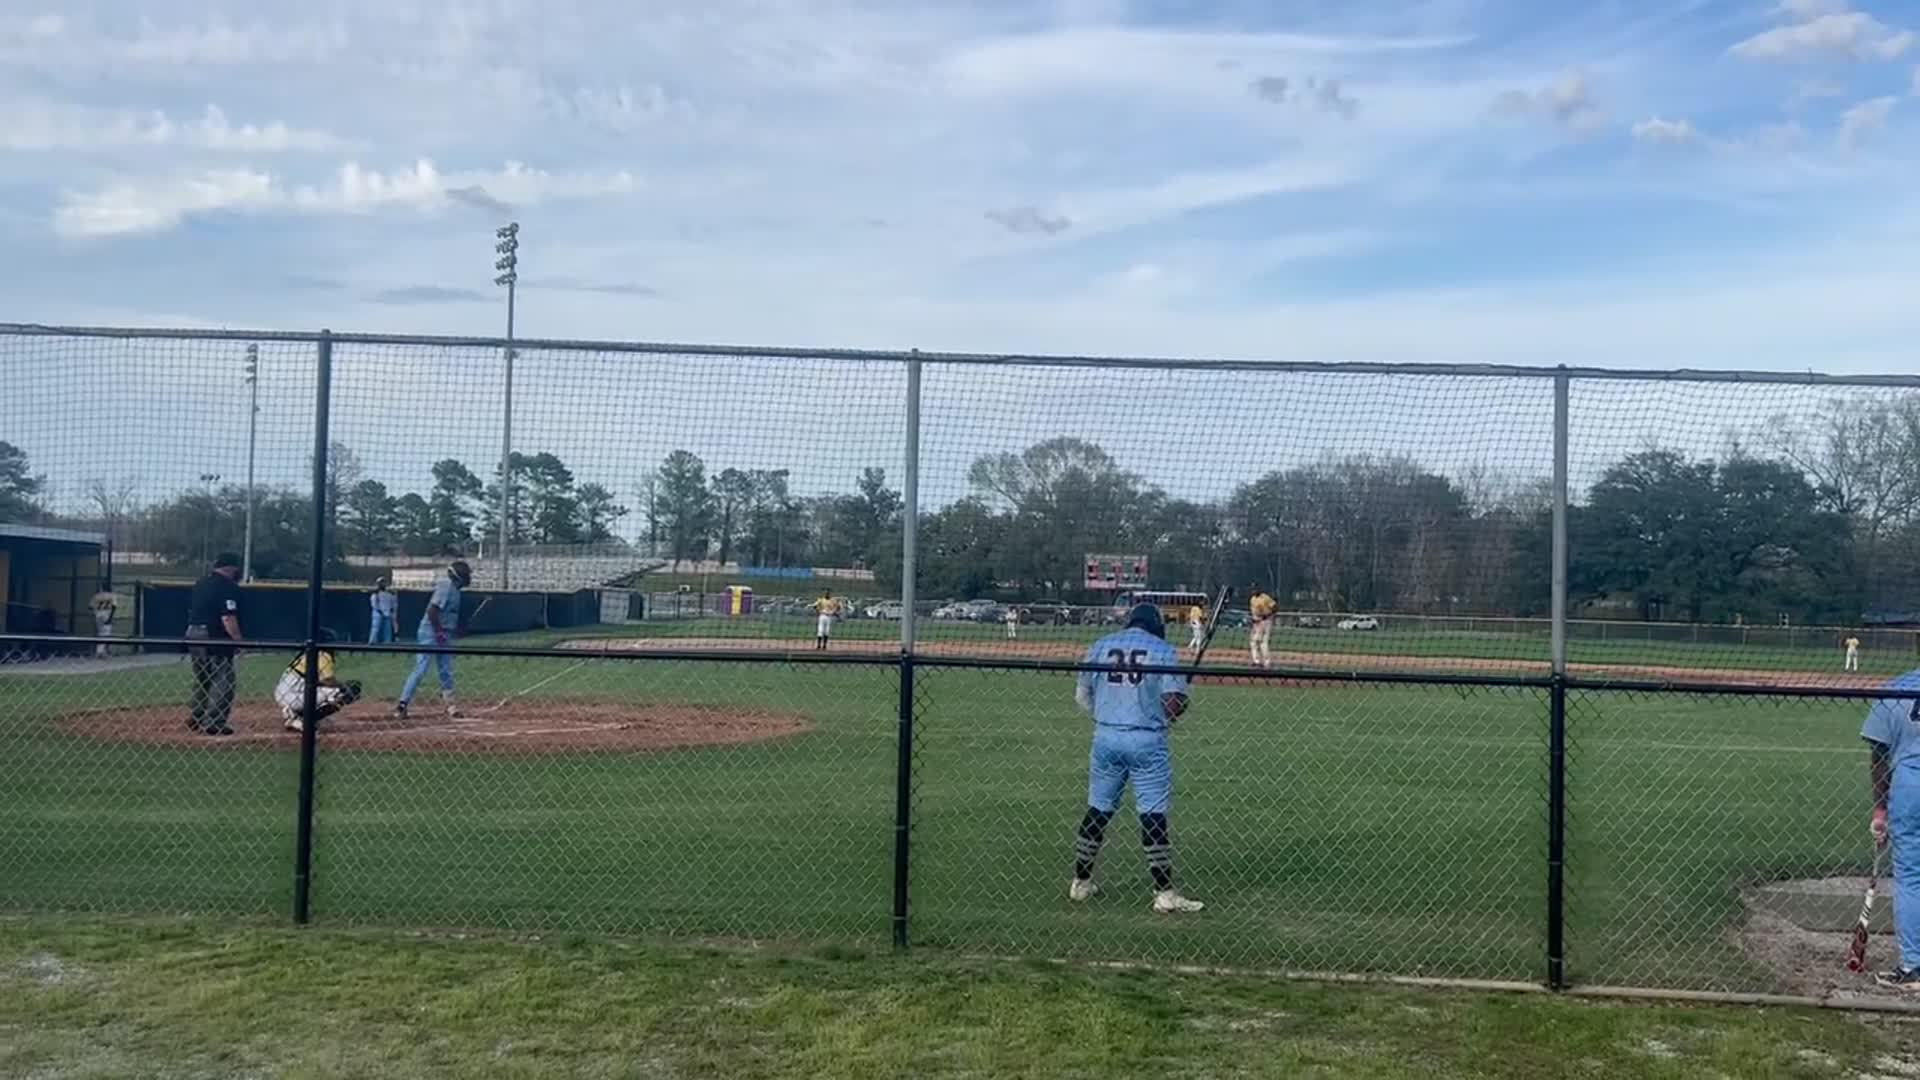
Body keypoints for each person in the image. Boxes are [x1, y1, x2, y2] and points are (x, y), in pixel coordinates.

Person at [1068, 602, 1204, 914]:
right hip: (1146, 739)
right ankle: (1163, 892)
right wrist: (1175, 710)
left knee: (1098, 810)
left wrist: (1107, 716)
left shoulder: (1101, 645)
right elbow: (1172, 703)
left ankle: (1081, 881)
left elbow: (1081, 696)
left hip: (1106, 736)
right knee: (1152, 814)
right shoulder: (1162, 650)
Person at [1863, 667, 1920, 989]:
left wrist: (1880, 809)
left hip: (1911, 785)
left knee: (1912, 876)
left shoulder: (1897, 688)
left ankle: (1914, 966)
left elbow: (1878, 756)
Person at [396, 560, 471, 721]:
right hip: (430, 633)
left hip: (444, 633)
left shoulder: (457, 592)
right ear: (459, 576)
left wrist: (454, 630)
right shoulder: (446, 587)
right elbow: (432, 611)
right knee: (421, 668)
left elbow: (447, 616)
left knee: (446, 670)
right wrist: (439, 632)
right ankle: (402, 704)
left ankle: (451, 706)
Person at [185, 552, 246, 736]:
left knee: (203, 678)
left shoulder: (201, 583)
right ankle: (215, 722)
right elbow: (228, 617)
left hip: (193, 632)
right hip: (213, 635)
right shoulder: (227, 586)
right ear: (232, 567)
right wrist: (238, 640)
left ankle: (197, 716)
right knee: (223, 679)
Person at [275, 629, 364, 732]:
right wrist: (343, 686)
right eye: (331, 643)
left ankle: (295, 714)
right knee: (342, 693)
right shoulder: (323, 655)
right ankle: (305, 720)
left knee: (329, 694)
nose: (334, 646)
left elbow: (315, 681)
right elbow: (328, 680)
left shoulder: (309, 652)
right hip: (294, 695)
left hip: (287, 693)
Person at [1248, 586, 1278, 668]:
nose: (1253, 590)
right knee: (1253, 642)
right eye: (1252, 589)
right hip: (1256, 623)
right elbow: (1253, 612)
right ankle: (1257, 661)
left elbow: (1274, 607)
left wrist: (1268, 615)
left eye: (1255, 589)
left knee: (1263, 642)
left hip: (1265, 621)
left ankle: (1266, 662)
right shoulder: (1252, 599)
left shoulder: (1265, 597)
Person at [369, 577, 398, 644]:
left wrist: (391, 611)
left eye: (383, 582)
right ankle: (372, 642)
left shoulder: (390, 594)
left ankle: (387, 644)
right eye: (381, 582)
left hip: (387, 614)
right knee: (375, 629)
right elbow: (374, 604)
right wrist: (380, 612)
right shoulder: (375, 593)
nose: (382, 584)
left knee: (387, 630)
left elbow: (393, 603)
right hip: (378, 614)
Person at [90, 589, 117, 658]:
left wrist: (95, 611)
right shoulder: (112, 595)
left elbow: (90, 607)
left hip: (98, 615)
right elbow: (114, 607)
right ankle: (99, 652)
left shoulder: (97, 595)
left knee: (100, 633)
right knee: (105, 634)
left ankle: (103, 651)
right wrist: (110, 618)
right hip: (106, 615)